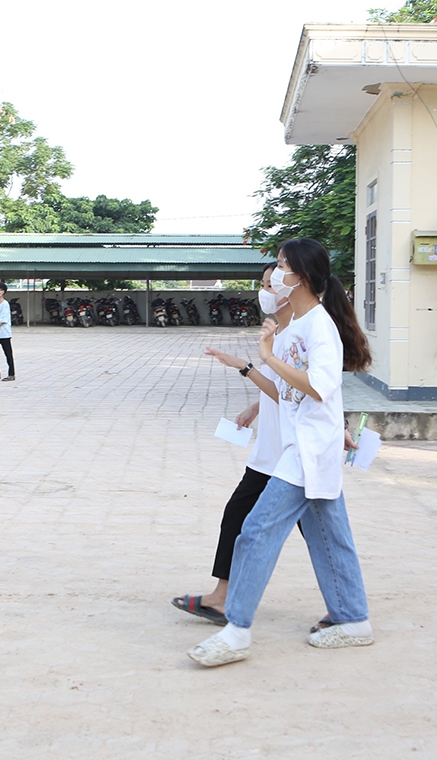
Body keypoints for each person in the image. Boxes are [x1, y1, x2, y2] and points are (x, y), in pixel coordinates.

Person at [189, 238, 374, 667]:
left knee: (255, 532)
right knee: (332, 538)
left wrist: (267, 355)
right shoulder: (298, 326)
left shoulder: (320, 327)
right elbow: (286, 394)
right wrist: (256, 368)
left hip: (308, 451)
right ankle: (353, 619)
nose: (274, 276)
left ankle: (235, 632)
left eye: (281, 267)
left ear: (303, 278)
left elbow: (320, 386)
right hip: (304, 446)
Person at [171, 263, 294, 625]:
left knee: (324, 538)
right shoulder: (281, 332)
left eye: (269, 283)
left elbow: (309, 392)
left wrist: (244, 366)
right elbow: (283, 388)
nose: (265, 290)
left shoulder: (301, 333)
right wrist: (257, 406)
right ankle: (222, 598)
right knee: (237, 518)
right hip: (269, 454)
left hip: (294, 455)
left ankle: (348, 610)